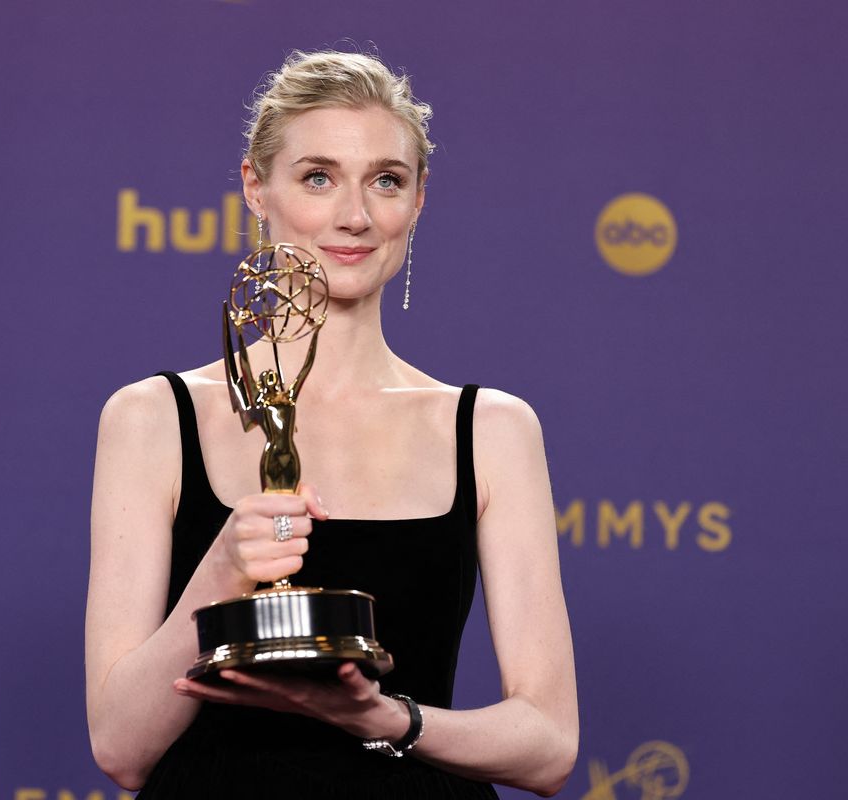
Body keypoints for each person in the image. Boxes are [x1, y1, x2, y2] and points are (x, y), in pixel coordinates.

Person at [84, 50, 578, 798]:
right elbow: (121, 748)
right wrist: (223, 568)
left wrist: (384, 718)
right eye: (318, 177)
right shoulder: (151, 418)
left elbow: (549, 746)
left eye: (387, 180)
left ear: (418, 200)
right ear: (256, 187)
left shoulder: (491, 430)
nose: (355, 216)